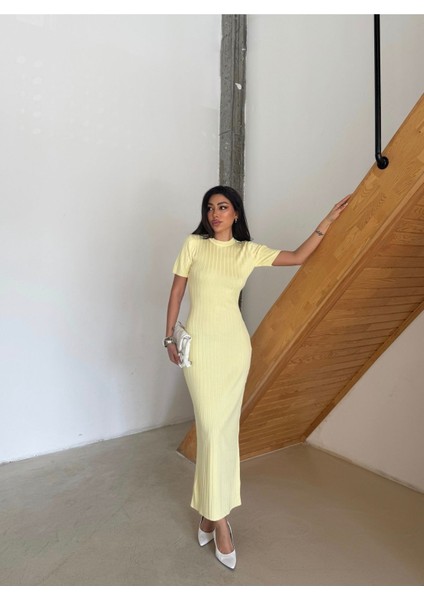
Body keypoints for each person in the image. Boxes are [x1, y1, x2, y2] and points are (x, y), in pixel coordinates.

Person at [164, 185, 350, 569]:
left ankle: (211, 516)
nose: (215, 214)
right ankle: (220, 521)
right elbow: (177, 292)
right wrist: (169, 336)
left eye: (223, 207)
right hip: (200, 350)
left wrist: (328, 220)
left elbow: (298, 256)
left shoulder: (246, 251)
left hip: (234, 350)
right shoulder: (193, 245)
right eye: (210, 208)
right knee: (211, 429)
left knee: (223, 433)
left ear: (236, 213)